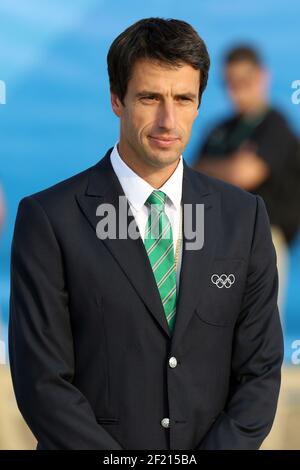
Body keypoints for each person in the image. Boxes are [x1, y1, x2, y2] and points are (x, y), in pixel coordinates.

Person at [9, 18, 283, 450]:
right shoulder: (49, 219)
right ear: (117, 99)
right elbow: (42, 382)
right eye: (150, 97)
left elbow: (260, 369)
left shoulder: (244, 217)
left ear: (198, 103)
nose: (167, 120)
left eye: (183, 98)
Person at [193, 45, 300, 314]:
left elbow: (246, 173)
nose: (236, 90)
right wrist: (228, 166)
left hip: (265, 236)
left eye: (244, 81)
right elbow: (191, 177)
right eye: (229, 82)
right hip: (216, 238)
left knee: (260, 325)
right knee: (215, 321)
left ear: (263, 76)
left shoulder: (274, 125)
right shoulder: (219, 129)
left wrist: (213, 168)